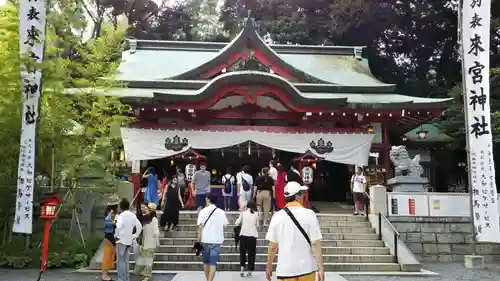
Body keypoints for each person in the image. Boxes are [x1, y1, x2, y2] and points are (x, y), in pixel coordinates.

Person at [265, 182, 324, 281]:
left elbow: (272, 246)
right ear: (297, 197)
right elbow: (315, 244)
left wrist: (269, 266)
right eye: (302, 194)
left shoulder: (277, 216)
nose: (303, 196)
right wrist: (321, 268)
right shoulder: (310, 214)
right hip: (306, 269)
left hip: (285, 270)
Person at [197, 193, 229, 281]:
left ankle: (208, 279)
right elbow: (225, 225)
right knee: (213, 264)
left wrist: (198, 239)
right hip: (217, 241)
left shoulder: (202, 211)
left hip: (205, 240)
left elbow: (200, 227)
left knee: (206, 263)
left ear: (208, 200)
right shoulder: (221, 212)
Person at [115, 198, 143, 281]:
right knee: (126, 261)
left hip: (121, 240)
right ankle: (126, 278)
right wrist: (135, 235)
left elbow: (118, 227)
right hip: (129, 240)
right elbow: (139, 226)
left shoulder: (121, 216)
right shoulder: (132, 215)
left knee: (120, 261)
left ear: (121, 206)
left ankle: (121, 279)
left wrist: (116, 235)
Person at [134, 203, 160, 281]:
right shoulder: (146, 219)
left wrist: (157, 242)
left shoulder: (154, 219)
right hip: (145, 242)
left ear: (150, 211)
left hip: (150, 242)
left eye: (147, 209)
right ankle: (143, 273)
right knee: (144, 259)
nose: (145, 210)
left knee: (148, 260)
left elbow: (156, 232)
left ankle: (147, 276)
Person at [235, 200, 259, 278]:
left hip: (243, 236)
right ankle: (250, 271)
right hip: (252, 236)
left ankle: (242, 269)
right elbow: (257, 225)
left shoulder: (243, 213)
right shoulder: (256, 214)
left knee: (242, 253)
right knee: (251, 254)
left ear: (247, 206)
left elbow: (237, 223)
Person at [101, 195, 119, 281]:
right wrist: (114, 223)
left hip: (111, 236)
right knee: (107, 256)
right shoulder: (110, 213)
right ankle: (104, 275)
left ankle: (105, 274)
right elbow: (106, 224)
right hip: (109, 236)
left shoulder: (110, 212)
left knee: (111, 255)